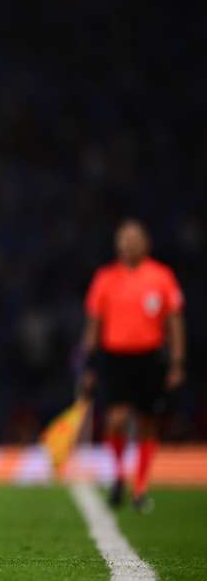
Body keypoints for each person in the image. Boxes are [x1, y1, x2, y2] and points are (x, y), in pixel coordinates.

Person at [79, 219, 186, 511]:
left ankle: (140, 488)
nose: (128, 244)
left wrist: (177, 361)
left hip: (150, 357)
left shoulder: (162, 277)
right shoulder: (105, 278)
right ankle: (117, 475)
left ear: (145, 243)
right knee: (116, 419)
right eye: (123, 239)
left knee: (147, 424)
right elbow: (94, 323)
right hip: (114, 358)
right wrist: (88, 363)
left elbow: (174, 321)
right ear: (117, 245)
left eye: (134, 238)